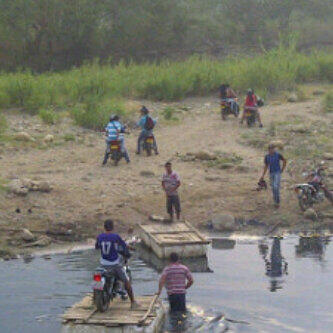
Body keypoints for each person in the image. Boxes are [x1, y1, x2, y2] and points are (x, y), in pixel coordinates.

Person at [95, 219, 140, 309]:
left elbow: (97, 247)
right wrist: (130, 247)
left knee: (97, 279)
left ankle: (95, 298)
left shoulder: (100, 236)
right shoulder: (115, 237)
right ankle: (133, 302)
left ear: (104, 227)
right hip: (114, 265)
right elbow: (124, 245)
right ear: (112, 227)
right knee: (126, 281)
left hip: (102, 264)